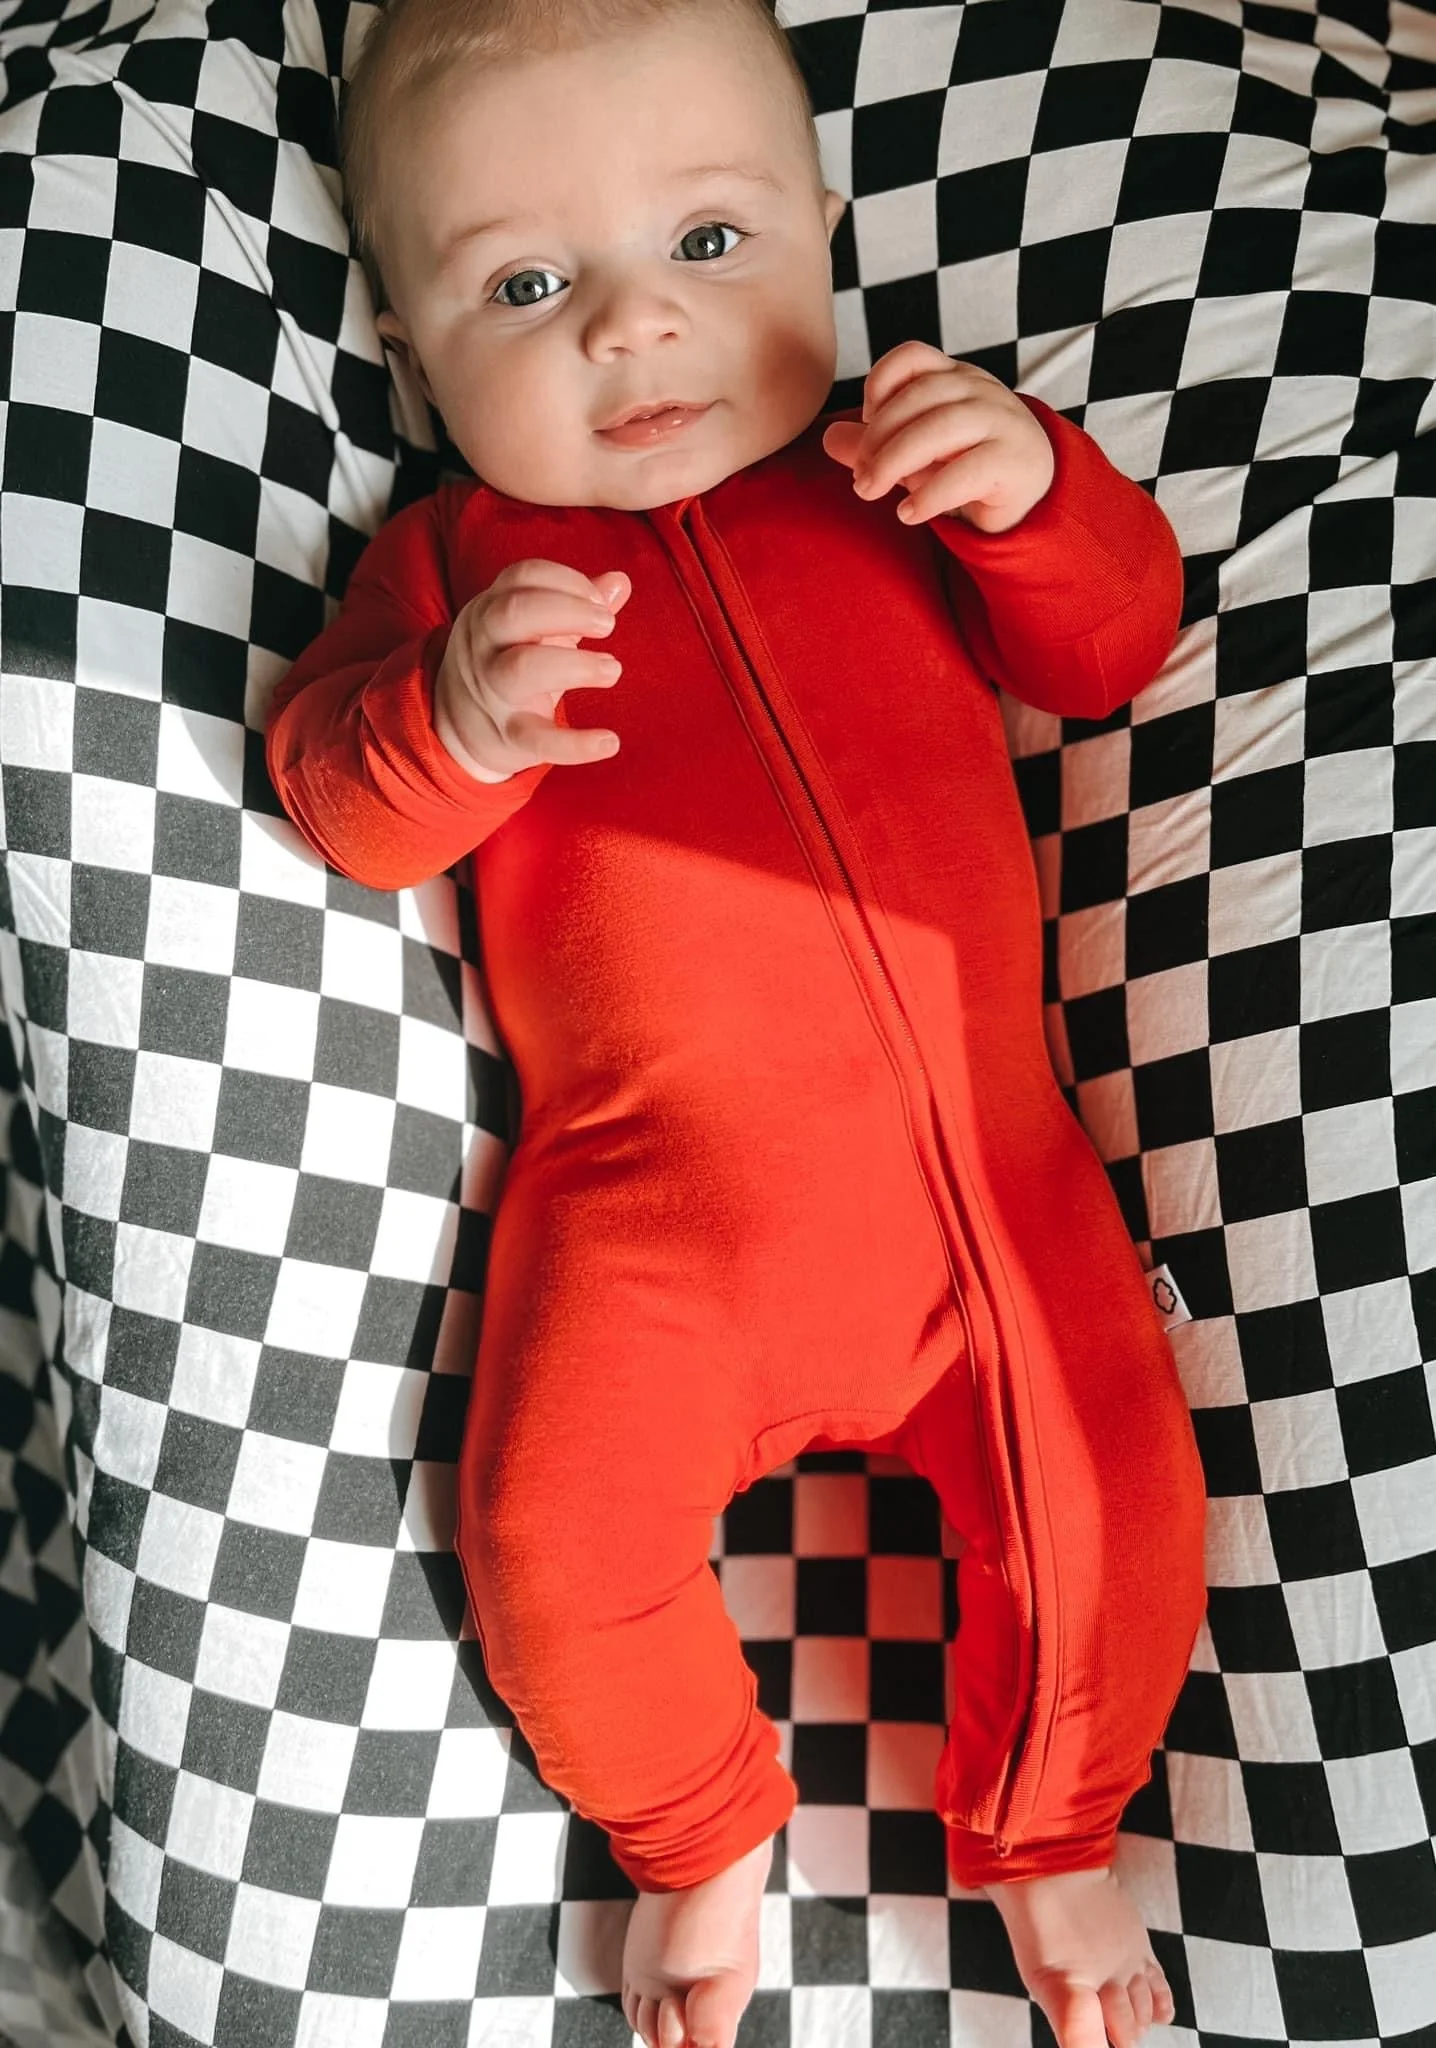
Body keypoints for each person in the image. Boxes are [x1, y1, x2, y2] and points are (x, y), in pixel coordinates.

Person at [266, 1, 1207, 2043]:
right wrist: (451, 715)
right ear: (412, 352)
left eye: (708, 243)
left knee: (1118, 1505)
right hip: (646, 1226)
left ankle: (1052, 1830)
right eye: (528, 287)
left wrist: (1034, 494)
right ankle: (695, 1835)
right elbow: (337, 802)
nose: (636, 326)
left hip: (992, 1199)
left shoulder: (888, 473)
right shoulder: (448, 563)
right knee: (548, 1542)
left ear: (820, 231)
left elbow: (1110, 648)